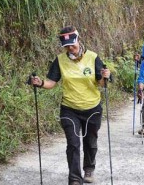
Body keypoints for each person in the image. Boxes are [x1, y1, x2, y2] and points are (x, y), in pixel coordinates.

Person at [30, 26, 111, 185]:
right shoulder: (60, 60)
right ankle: (74, 178)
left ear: (78, 40)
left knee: (90, 141)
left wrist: (105, 76)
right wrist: (39, 83)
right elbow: (51, 82)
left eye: (72, 45)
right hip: (69, 109)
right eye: (67, 46)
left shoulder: (93, 57)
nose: (70, 48)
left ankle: (88, 169)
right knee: (73, 143)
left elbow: (101, 82)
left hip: (92, 108)